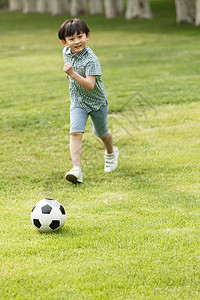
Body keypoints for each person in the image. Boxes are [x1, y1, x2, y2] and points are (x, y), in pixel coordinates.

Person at [58, 18, 119, 184]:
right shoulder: (66, 52)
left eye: (80, 36)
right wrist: (70, 74)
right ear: (65, 42)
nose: (77, 41)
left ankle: (111, 152)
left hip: (96, 102)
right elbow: (70, 69)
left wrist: (72, 74)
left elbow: (90, 85)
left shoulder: (91, 59)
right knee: (75, 132)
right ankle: (76, 169)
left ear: (88, 36)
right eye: (71, 39)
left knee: (101, 133)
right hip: (78, 102)